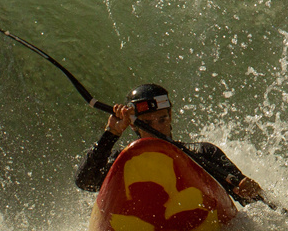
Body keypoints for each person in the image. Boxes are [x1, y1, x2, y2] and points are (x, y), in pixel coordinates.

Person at [74, 83, 263, 203]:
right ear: (133, 126)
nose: (157, 127)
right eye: (147, 123)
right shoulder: (122, 161)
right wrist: (111, 133)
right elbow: (85, 182)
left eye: (162, 120)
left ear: (170, 116)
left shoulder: (204, 153)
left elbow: (245, 200)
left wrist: (249, 191)